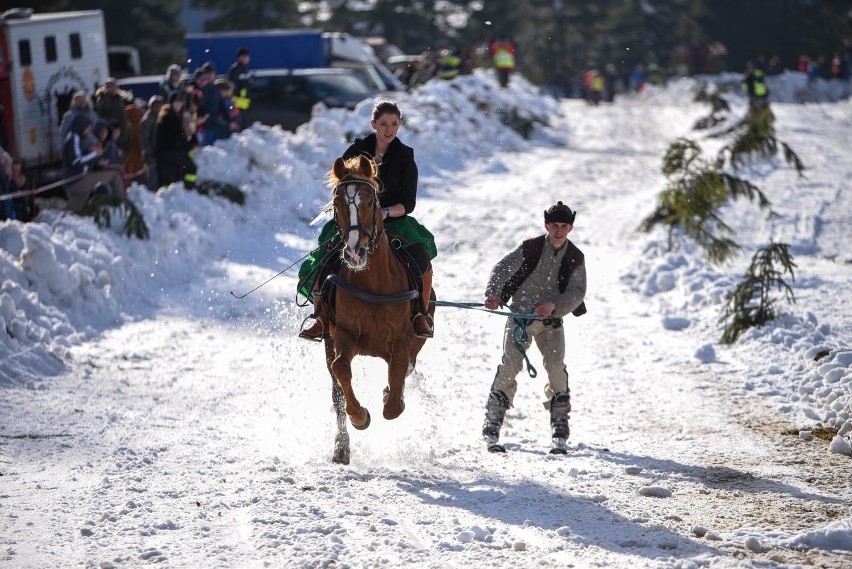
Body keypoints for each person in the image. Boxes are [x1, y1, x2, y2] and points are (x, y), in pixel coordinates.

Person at [298, 101, 437, 340]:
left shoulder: (405, 157)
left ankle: (420, 315)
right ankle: (321, 318)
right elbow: (341, 187)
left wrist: (384, 213)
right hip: (355, 220)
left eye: (394, 124)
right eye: (383, 124)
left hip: (392, 220)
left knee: (421, 257)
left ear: (400, 125)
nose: (388, 129)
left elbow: (408, 203)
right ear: (373, 124)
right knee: (322, 258)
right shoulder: (357, 150)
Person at [480, 201, 587, 452]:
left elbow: (577, 292)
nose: (559, 230)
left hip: (551, 322)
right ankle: (493, 422)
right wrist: (494, 293)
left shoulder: (575, 257)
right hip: (520, 318)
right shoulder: (531, 247)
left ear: (570, 228)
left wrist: (555, 305)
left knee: (556, 368)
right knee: (510, 365)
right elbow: (501, 268)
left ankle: (560, 425)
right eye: (554, 225)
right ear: (546, 226)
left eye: (564, 226)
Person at [61, 114, 125, 212]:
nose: (88, 131)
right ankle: (123, 205)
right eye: (87, 128)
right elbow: (77, 161)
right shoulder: (74, 139)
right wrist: (94, 153)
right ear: (81, 126)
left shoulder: (78, 139)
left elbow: (82, 158)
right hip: (76, 180)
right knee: (115, 175)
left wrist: (97, 159)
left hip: (77, 179)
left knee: (76, 209)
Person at [154, 92, 196, 189]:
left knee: (168, 180)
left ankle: (167, 197)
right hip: (169, 152)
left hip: (165, 153)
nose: (178, 105)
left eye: (180, 103)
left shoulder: (169, 115)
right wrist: (188, 147)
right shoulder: (170, 117)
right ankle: (189, 190)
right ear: (171, 103)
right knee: (191, 168)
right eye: (176, 102)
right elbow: (178, 136)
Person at [140, 95, 164, 191]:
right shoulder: (148, 120)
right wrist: (152, 152)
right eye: (158, 105)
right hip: (151, 154)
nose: (160, 107)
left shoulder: (160, 117)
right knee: (152, 178)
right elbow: (145, 140)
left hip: (159, 153)